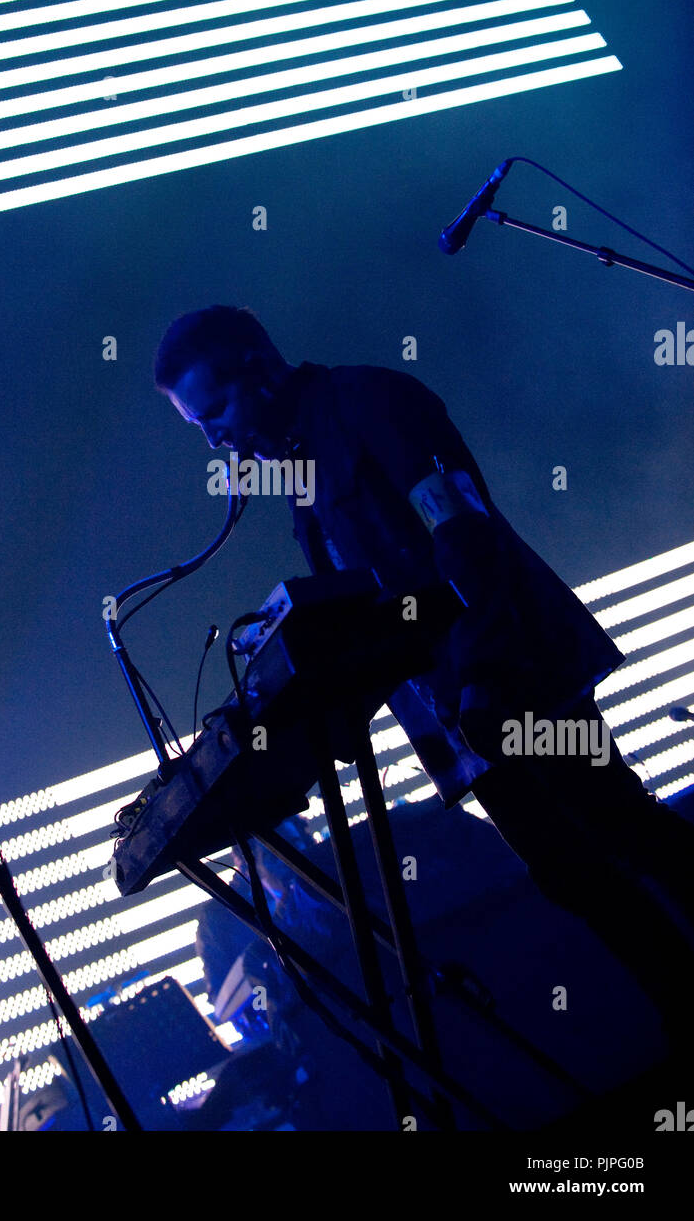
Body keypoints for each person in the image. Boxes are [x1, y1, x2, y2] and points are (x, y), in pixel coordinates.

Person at [154, 303, 694, 1064]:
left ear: (257, 367)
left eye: (215, 412)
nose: (214, 440)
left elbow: (462, 534)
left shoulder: (367, 401)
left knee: (616, 827)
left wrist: (481, 674)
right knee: (570, 872)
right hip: (462, 708)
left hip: (511, 676)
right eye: (198, 428)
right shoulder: (300, 473)